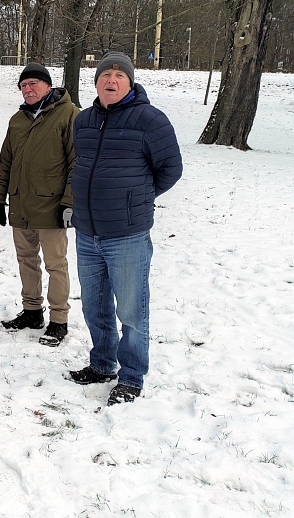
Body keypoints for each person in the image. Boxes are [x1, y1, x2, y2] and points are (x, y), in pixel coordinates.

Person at [66, 52, 182, 405]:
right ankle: (102, 364)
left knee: (131, 310)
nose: (111, 80)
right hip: (87, 231)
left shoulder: (150, 121)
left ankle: (132, 376)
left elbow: (170, 169)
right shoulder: (83, 121)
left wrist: (137, 197)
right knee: (94, 305)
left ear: (130, 82)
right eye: (105, 75)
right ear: (96, 82)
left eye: (119, 75)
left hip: (127, 235)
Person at [0, 62, 79, 347]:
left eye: (33, 84)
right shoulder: (17, 120)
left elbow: (76, 163)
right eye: (23, 85)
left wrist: (69, 202)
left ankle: (59, 319)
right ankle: (32, 311)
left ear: (48, 86)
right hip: (21, 204)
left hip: (52, 207)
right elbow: (6, 162)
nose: (27, 90)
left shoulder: (68, 115)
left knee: (56, 264)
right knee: (27, 260)